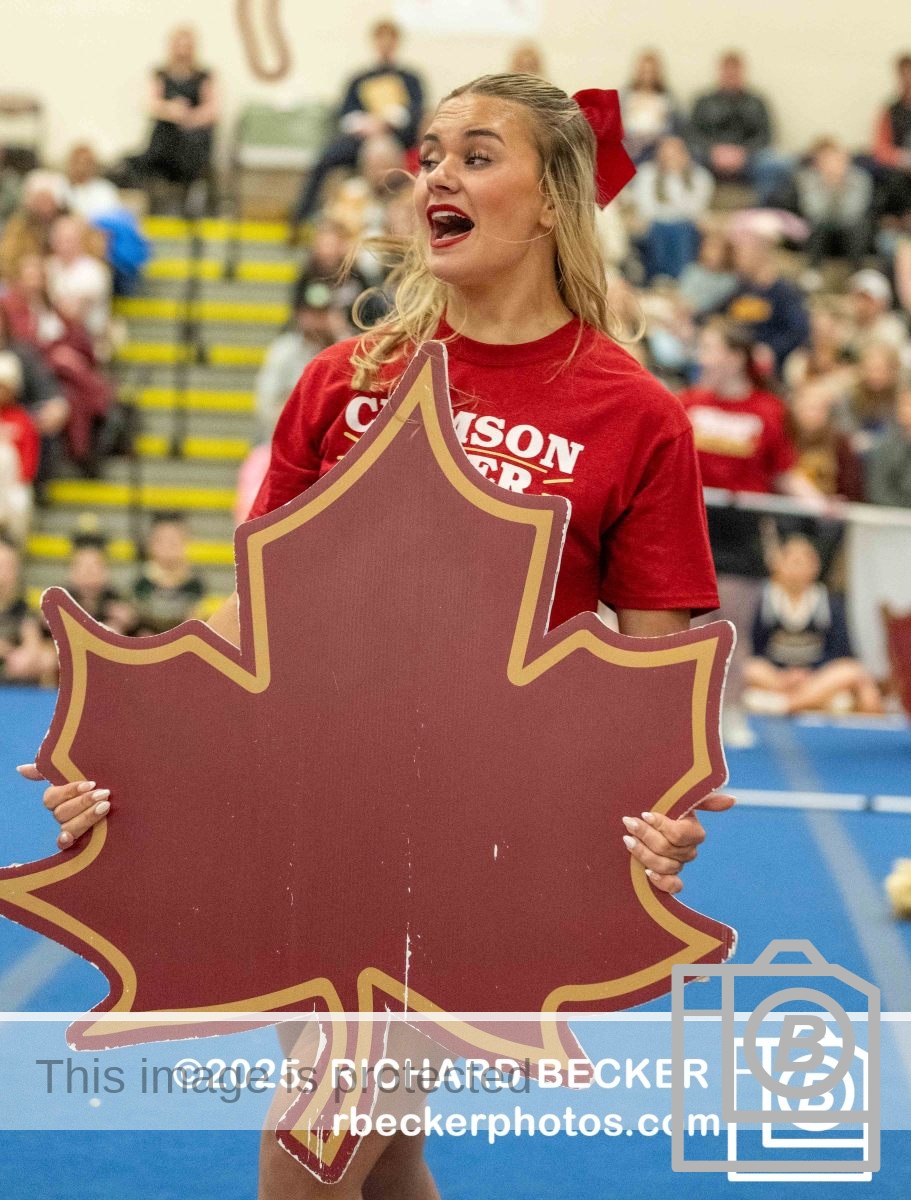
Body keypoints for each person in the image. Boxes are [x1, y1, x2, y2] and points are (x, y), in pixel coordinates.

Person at [20, 74, 734, 1199]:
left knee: (309, 1149)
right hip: (311, 814)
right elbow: (256, 614)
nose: (437, 173)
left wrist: (664, 810)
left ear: (554, 198)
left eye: (477, 154)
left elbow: (656, 666)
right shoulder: (346, 379)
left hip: (479, 836)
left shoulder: (631, 413)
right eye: (429, 153)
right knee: (379, 1152)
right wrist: (135, 738)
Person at [679, 319, 821, 745]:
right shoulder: (688, 402)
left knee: (731, 629)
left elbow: (785, 472)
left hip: (742, 535)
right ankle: (686, 718)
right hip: (692, 528)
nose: (702, 358)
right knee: (691, 632)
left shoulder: (768, 411)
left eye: (709, 349)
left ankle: (731, 712)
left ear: (735, 358)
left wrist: (819, 502)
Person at [290, 20, 424, 231]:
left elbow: (415, 113)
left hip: (397, 140)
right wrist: (366, 125)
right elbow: (345, 115)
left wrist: (387, 123)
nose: (385, 45)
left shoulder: (411, 79)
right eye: (381, 40)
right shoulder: (359, 79)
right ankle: (302, 217)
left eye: (390, 40)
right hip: (360, 139)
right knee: (325, 158)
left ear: (396, 43)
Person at [744, 533, 882, 714]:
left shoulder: (829, 603)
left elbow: (842, 651)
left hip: (816, 678)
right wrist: (785, 675)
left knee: (852, 671)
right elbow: (753, 648)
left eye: (803, 562)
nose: (797, 569)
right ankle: (806, 701)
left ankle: (787, 705)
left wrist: (808, 674)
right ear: (778, 564)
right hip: (776, 677)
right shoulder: (762, 600)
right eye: (793, 562)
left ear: (815, 566)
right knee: (749, 668)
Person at [688, 50, 791, 204]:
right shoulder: (703, 101)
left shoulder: (756, 102)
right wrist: (713, 151)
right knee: (687, 160)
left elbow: (766, 136)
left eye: (735, 72)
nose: (731, 76)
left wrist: (744, 153)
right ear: (720, 72)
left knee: (778, 164)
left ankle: (761, 209)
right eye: (727, 72)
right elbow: (692, 135)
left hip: (749, 159)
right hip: (709, 158)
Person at [130, 27, 220, 202]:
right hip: (167, 136)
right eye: (179, 46)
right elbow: (151, 104)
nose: (182, 52)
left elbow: (212, 110)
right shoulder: (161, 74)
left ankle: (190, 194)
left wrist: (189, 118)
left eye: (187, 47)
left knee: (192, 142)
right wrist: (171, 110)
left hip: (193, 136)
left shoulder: (203, 76)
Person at [711, 222, 810, 375]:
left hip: (765, 370)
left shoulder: (784, 292)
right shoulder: (741, 290)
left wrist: (771, 348)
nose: (737, 258)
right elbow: (712, 314)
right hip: (735, 363)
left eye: (743, 252)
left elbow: (798, 332)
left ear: (761, 252)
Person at [631, 135, 714, 280]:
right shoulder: (647, 174)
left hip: (686, 224)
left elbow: (695, 208)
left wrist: (675, 176)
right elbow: (646, 208)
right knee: (662, 229)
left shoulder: (699, 175)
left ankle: (680, 277)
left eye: (675, 153)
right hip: (655, 224)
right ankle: (660, 277)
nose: (670, 158)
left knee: (680, 229)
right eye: (666, 154)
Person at [795, 138, 873, 280]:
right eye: (826, 160)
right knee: (813, 223)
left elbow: (854, 212)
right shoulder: (808, 178)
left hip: (848, 229)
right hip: (821, 228)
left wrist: (840, 187)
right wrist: (828, 185)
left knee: (860, 225)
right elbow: (814, 211)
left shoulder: (860, 178)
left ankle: (857, 273)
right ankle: (813, 271)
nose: (832, 165)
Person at [788, 379, 865, 500]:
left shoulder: (840, 443)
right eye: (808, 408)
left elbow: (850, 486)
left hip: (829, 505)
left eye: (819, 409)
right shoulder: (785, 437)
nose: (812, 414)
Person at [131, 511, 206, 635]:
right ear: (151, 544)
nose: (168, 548)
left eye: (174, 541)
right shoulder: (141, 582)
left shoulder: (194, 583)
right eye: (162, 541)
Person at [45, 215, 113, 346]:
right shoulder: (48, 267)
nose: (64, 245)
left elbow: (74, 314)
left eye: (69, 240)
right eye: (60, 239)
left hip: (87, 341)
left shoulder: (94, 270)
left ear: (80, 240)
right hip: (49, 341)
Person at [0, 352, 39, 543]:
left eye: (4, 387)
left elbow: (29, 463)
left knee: (20, 500)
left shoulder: (23, 420)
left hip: (13, 485)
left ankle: (13, 549)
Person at [620, 49, 683, 164]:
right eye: (644, 71)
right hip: (629, 145)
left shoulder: (668, 98)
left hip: (658, 147)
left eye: (651, 72)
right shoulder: (625, 96)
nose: (647, 76)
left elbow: (675, 128)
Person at [64, 532, 135, 633]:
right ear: (71, 571)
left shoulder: (119, 602)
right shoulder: (59, 603)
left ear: (107, 570)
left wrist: (131, 623)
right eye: (82, 566)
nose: (88, 573)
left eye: (95, 566)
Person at [866, 384, 911, 507]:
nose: (907, 410)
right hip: (892, 514)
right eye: (905, 405)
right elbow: (878, 491)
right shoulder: (884, 448)